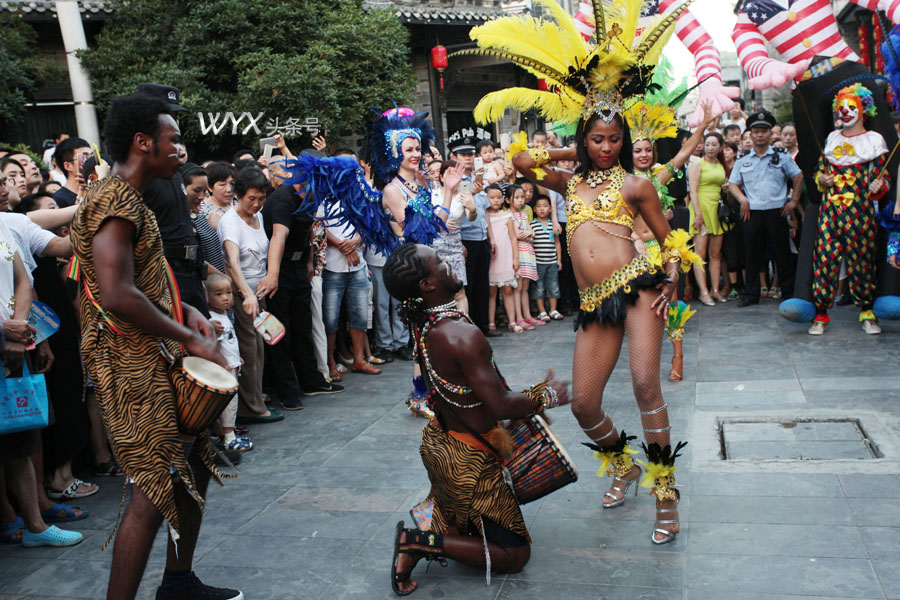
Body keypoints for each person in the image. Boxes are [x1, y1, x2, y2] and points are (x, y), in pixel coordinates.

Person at [469, 0, 696, 544]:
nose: (607, 147)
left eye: (614, 140)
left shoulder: (636, 186)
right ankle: (624, 466)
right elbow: (523, 163)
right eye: (597, 139)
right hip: (595, 302)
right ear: (583, 139)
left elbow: (672, 244)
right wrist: (570, 140)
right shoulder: (568, 182)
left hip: (638, 290)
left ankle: (666, 498)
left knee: (645, 384)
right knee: (585, 402)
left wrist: (671, 280)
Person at [69, 93, 241, 599]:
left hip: (151, 354)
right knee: (154, 485)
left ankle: (179, 581)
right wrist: (188, 336)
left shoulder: (127, 198)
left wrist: (185, 312)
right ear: (144, 143)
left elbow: (139, 281)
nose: (182, 150)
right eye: (173, 139)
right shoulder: (112, 200)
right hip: (129, 364)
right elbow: (116, 291)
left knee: (191, 467)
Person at [383, 243, 571, 596]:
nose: (450, 262)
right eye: (439, 262)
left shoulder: (428, 321)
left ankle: (441, 525)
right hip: (467, 461)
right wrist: (547, 395)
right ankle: (416, 542)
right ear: (427, 285)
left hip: (443, 442)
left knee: (460, 515)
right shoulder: (459, 333)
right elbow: (499, 404)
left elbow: (472, 392)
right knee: (515, 555)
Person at [258, 157, 343, 409]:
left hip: (298, 266)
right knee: (280, 331)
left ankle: (311, 381)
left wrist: (308, 260)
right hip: (278, 267)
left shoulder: (311, 193)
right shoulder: (283, 198)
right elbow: (279, 236)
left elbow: (306, 230)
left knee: (303, 326)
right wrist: (273, 274)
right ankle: (287, 390)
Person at [806, 84, 888, 335]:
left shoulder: (874, 141)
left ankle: (866, 310)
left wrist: (879, 185)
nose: (845, 111)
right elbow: (820, 171)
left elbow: (883, 179)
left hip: (860, 213)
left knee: (861, 260)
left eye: (851, 107)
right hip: (830, 213)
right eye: (841, 107)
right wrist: (821, 179)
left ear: (863, 110)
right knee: (825, 259)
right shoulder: (832, 139)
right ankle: (821, 314)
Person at [218, 166, 282, 424]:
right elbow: (232, 263)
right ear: (238, 195)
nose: (256, 204)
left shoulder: (260, 217)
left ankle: (255, 399)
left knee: (259, 350)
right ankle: (252, 408)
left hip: (260, 294)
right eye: (251, 199)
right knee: (249, 351)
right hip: (242, 295)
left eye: (261, 198)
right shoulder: (229, 222)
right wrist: (246, 295)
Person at [727, 110, 803, 307]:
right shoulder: (743, 159)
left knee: (782, 253)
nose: (760, 135)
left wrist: (793, 201)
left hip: (776, 211)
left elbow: (798, 176)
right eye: (756, 132)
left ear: (770, 134)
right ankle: (751, 295)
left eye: (764, 131)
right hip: (751, 212)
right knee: (751, 254)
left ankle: (788, 292)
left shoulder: (781, 155)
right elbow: (733, 184)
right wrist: (742, 200)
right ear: (750, 135)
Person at [204, 273, 252, 451]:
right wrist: (224, 362)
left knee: (230, 402)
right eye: (218, 294)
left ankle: (227, 434)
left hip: (231, 366)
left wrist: (235, 357)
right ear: (206, 296)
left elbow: (229, 342)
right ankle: (229, 438)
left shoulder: (224, 315)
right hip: (224, 369)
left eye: (229, 293)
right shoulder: (213, 321)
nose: (225, 298)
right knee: (229, 403)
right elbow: (214, 346)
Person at [688, 131, 732, 305]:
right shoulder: (697, 164)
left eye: (714, 144)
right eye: (707, 144)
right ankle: (703, 291)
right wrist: (698, 214)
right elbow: (692, 190)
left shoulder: (721, 165)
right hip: (701, 209)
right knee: (700, 253)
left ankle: (715, 289)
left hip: (717, 210)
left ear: (720, 147)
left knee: (716, 254)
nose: (710, 147)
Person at [485, 184, 520, 333]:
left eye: (499, 197)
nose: (496, 200)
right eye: (492, 198)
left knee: (507, 290)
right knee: (491, 292)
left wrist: (515, 257)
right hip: (492, 259)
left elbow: (513, 237)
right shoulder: (484, 215)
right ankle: (491, 322)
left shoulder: (507, 215)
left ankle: (512, 321)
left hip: (506, 257)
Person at [508, 184, 542, 329]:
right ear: (508, 200)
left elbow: (531, 232)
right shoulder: (508, 215)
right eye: (517, 197)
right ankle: (519, 318)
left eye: (522, 197)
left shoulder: (523, 214)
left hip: (528, 252)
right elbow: (518, 235)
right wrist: (528, 234)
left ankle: (527, 316)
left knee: (525, 287)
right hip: (518, 252)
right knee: (518, 286)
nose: (521, 200)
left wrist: (529, 234)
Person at [530, 194, 564, 321]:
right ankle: (542, 311)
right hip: (538, 263)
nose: (542, 209)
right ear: (534, 209)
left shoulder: (553, 225)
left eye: (545, 206)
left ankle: (553, 310)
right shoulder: (532, 225)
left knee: (554, 287)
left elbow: (557, 243)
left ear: (550, 209)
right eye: (539, 206)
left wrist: (559, 260)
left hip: (552, 262)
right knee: (539, 288)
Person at [52, 137, 91, 208]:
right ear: (68, 166)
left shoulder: (97, 191)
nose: (92, 161)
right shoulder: (58, 200)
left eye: (93, 156)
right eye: (84, 157)